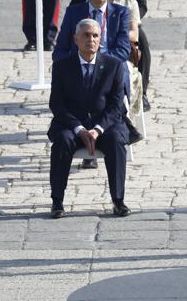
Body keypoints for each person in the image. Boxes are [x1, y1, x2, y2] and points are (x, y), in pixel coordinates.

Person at [48, 19, 130, 218]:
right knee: (63, 140)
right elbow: (57, 104)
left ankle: (118, 200)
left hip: (105, 125)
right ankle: (57, 201)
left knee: (116, 140)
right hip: (73, 125)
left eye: (95, 36)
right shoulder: (62, 67)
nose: (90, 40)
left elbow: (117, 105)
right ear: (75, 39)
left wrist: (98, 129)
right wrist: (79, 129)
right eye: (85, 35)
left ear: (100, 39)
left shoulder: (114, 66)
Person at [70, 0, 152, 111]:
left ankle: (142, 92)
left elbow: (141, 4)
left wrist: (126, 21)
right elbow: (75, 5)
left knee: (142, 41)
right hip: (94, 22)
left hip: (127, 22)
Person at [87, 0, 143, 119]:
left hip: (118, 50)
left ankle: (120, 114)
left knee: (120, 68)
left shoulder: (128, 3)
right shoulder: (92, 1)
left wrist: (115, 35)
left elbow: (134, 34)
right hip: (93, 52)